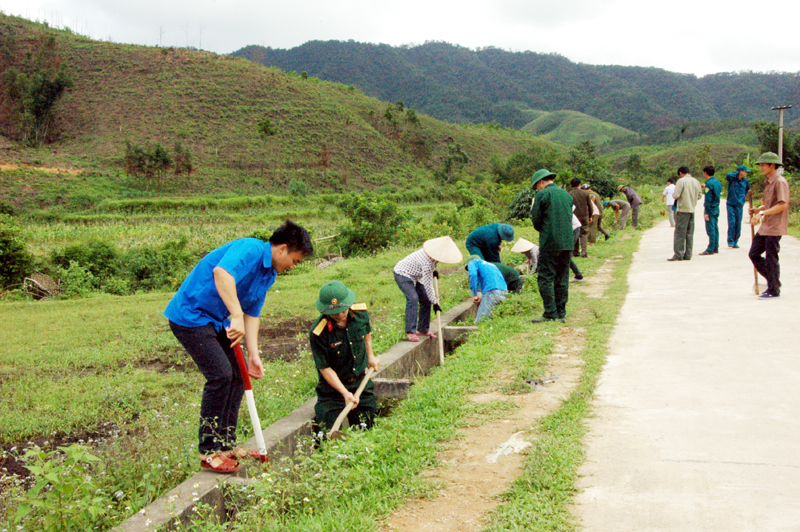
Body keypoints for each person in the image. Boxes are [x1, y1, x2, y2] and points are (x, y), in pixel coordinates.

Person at [164, 220, 313, 473]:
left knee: (237, 375)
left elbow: (252, 314)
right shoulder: (251, 249)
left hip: (217, 320)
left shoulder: (270, 274)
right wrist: (234, 315)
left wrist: (253, 354)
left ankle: (226, 444)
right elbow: (222, 274)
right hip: (190, 316)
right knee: (221, 375)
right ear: (282, 249)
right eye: (295, 260)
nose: (292, 266)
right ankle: (209, 450)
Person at [309, 281, 381, 434]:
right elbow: (325, 368)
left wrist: (371, 356)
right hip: (333, 391)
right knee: (324, 429)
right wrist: (344, 393)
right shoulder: (318, 332)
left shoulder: (360, 314)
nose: (340, 315)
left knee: (369, 426)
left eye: (343, 310)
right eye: (335, 312)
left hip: (361, 382)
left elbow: (366, 332)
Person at [394, 236, 463, 342]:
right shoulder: (427, 261)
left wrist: (432, 272)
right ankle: (410, 332)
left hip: (416, 276)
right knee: (413, 299)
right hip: (403, 274)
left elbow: (429, 272)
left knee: (426, 300)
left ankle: (422, 329)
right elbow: (427, 285)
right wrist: (435, 303)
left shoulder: (434, 258)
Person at [529, 169, 574, 323]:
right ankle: (561, 313)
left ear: (541, 182)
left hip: (550, 242)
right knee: (562, 277)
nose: (537, 189)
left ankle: (550, 313)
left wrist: (545, 229)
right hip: (568, 242)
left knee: (545, 278)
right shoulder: (567, 195)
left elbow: (536, 220)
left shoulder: (542, 195)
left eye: (537, 186)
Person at [749, 152, 790, 299]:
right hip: (766, 226)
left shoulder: (780, 182)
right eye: (760, 165)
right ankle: (774, 282)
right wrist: (759, 209)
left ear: (772, 165)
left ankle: (774, 289)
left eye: (763, 165)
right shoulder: (769, 182)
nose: (761, 167)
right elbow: (769, 203)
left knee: (771, 257)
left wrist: (762, 213)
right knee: (754, 253)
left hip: (775, 226)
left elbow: (782, 205)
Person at [669, 166, 702, 261]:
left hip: (682, 210)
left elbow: (676, 195)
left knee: (680, 233)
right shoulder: (696, 181)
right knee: (689, 233)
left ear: (680, 173)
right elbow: (699, 195)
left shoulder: (681, 181)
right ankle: (688, 254)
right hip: (692, 210)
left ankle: (678, 254)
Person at [465, 255, 508, 322]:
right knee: (495, 320)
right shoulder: (490, 265)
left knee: (480, 321)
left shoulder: (473, 262)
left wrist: (475, 294)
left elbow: (473, 274)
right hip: (503, 291)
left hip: (492, 290)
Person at [726, 164, 751, 248]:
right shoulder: (732, 179)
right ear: (741, 171)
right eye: (745, 171)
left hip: (739, 205)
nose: (747, 173)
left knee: (738, 223)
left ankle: (736, 241)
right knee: (732, 222)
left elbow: (747, 190)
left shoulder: (745, 181)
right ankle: (730, 240)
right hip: (731, 203)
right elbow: (728, 175)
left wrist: (743, 197)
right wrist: (737, 174)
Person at [569, 178, 594, 257]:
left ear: (571, 185)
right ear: (579, 184)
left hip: (574, 217)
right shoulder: (585, 193)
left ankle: (575, 252)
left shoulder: (569, 194)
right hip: (584, 216)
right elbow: (590, 206)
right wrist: (590, 216)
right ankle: (584, 251)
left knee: (575, 232)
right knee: (583, 233)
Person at [700, 165, 721, 255]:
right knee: (715, 228)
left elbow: (708, 198)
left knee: (710, 229)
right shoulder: (717, 182)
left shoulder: (709, 183)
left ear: (705, 172)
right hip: (716, 207)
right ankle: (716, 246)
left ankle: (710, 248)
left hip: (710, 208)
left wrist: (707, 212)